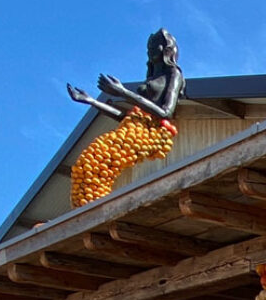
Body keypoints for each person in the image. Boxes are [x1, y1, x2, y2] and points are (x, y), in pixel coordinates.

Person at [65, 29, 185, 206]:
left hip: (155, 132)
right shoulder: (152, 77)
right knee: (87, 161)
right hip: (135, 127)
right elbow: (126, 117)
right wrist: (91, 101)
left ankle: (93, 206)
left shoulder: (174, 74)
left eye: (155, 46)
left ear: (167, 48)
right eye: (148, 47)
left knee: (100, 158)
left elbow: (165, 112)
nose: (150, 50)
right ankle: (89, 205)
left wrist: (123, 92)